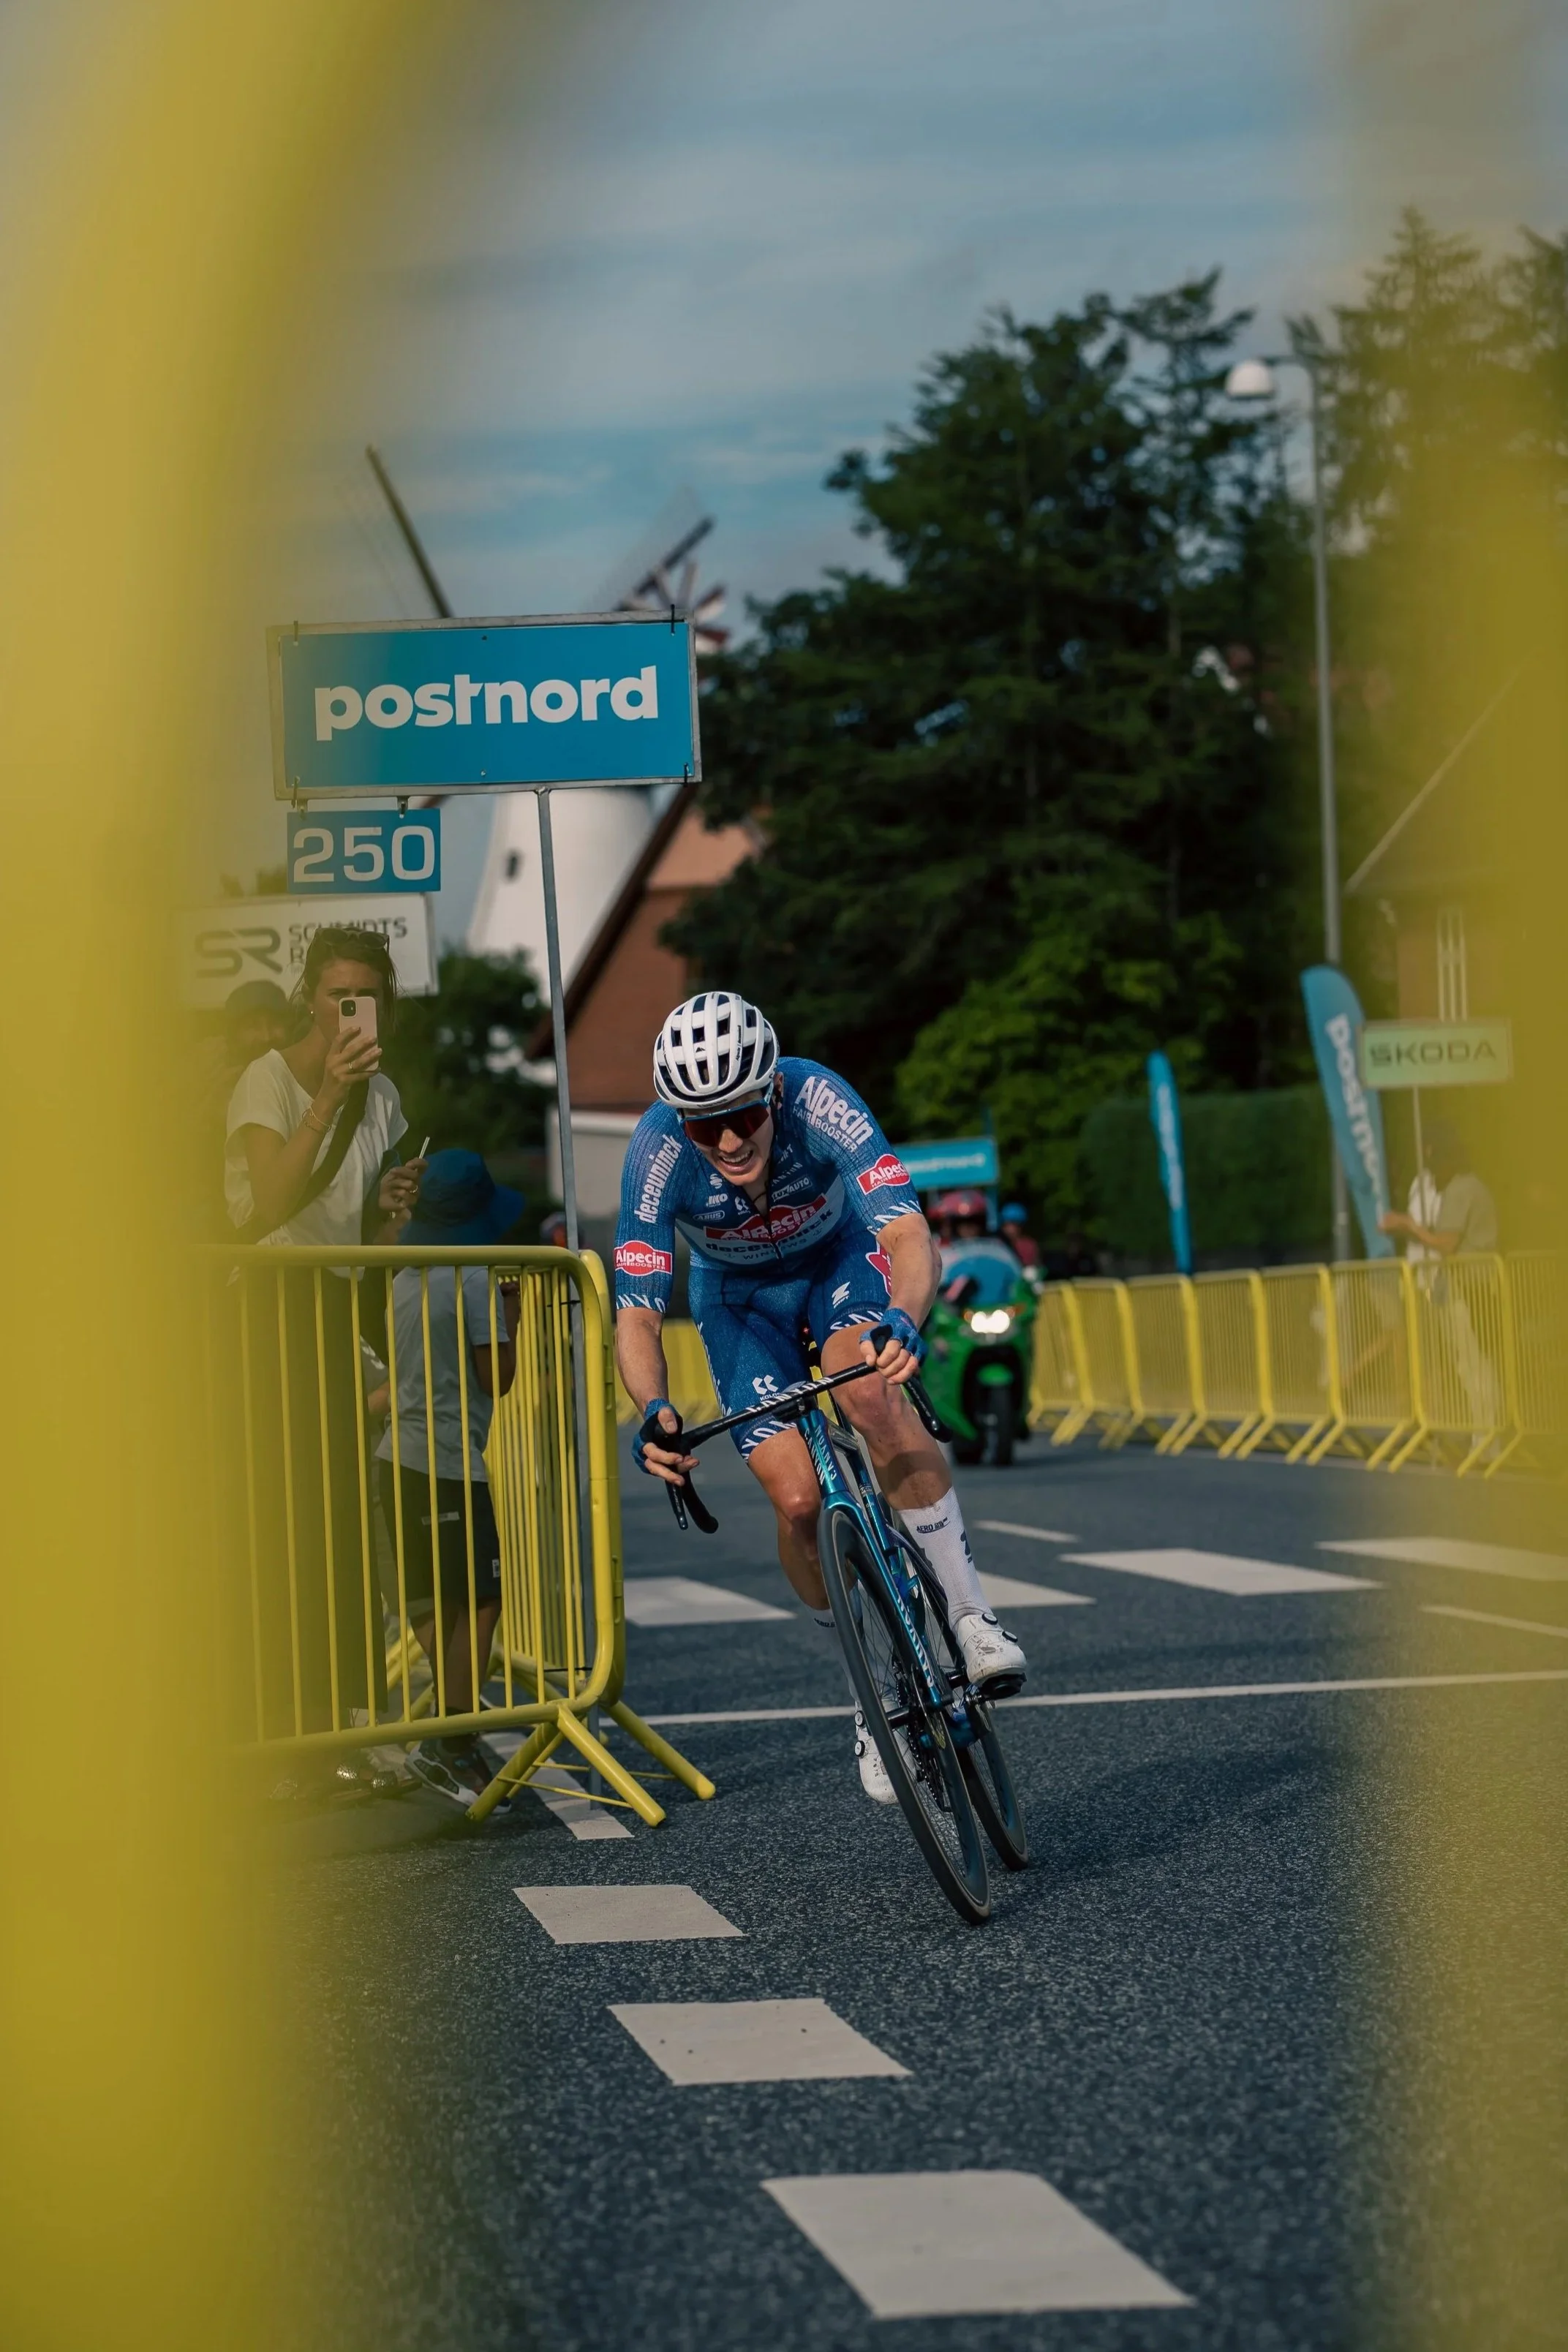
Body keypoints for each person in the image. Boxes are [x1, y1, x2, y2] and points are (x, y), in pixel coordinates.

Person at [614, 992, 1025, 1804]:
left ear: (770, 1092)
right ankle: (870, 1698)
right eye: (705, 1125)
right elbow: (636, 1310)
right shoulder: (656, 1150)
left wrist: (904, 1318)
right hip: (737, 1303)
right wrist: (654, 1409)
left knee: (871, 1397)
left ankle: (972, 1617)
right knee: (798, 1500)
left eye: (740, 1116)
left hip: (835, 1265)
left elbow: (907, 1233)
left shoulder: (817, 1097)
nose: (727, 1141)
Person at [222, 927, 427, 1745]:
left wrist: (389, 1213)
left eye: (366, 997)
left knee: (342, 1521)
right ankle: (275, 1725)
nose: (351, 1012)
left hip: (334, 1313)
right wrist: (327, 1099)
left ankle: (340, 1725)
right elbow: (265, 1204)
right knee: (279, 1521)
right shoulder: (264, 1082)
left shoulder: (385, 1099)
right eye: (338, 994)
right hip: (265, 1307)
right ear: (309, 995)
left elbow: (368, 1253)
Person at [369, 1150, 524, 1801]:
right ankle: (451, 1741)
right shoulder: (475, 1278)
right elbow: (499, 1379)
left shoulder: (405, 1276)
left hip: (397, 1458)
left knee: (434, 1602)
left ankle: (451, 1739)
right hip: (451, 1462)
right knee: (481, 1601)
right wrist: (511, 1317)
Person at [1378, 1120, 1499, 1258]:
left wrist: (1409, 1226)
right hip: (1471, 1275)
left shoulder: (1461, 1188)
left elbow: (1446, 1244)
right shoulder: (1468, 1185)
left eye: (1435, 1160)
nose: (1432, 1170)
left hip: (1469, 1277)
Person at [934, 1188, 1023, 1307]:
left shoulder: (998, 1248)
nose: (969, 1228)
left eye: (974, 1222)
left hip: (999, 1311)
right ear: (954, 1225)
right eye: (962, 1223)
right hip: (958, 1315)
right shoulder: (943, 1252)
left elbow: (1017, 1277)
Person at [998, 1202, 1041, 1273]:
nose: (1010, 1229)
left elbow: (1037, 1267)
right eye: (1007, 1224)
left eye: (1014, 1225)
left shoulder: (1029, 1245)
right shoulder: (998, 1244)